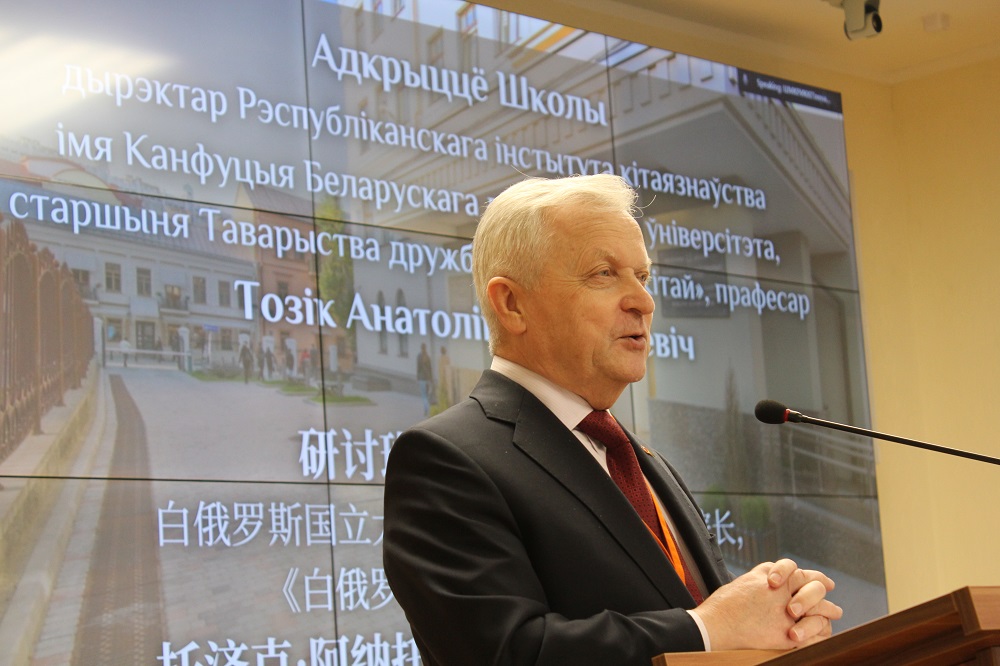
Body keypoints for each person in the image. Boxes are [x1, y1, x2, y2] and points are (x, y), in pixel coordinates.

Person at [382, 174, 842, 665]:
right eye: (604, 273)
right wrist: (710, 628)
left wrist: (776, 623)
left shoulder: (641, 460)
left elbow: (697, 618)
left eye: (642, 276)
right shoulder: (445, 459)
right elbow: (509, 653)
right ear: (512, 304)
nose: (643, 301)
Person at [416, 343, 434, 416]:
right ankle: (428, 409)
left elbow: (418, 368)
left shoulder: (419, 357)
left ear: (421, 348)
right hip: (427, 379)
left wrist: (417, 377)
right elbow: (430, 369)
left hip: (421, 378)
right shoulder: (427, 357)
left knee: (424, 396)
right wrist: (431, 379)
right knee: (427, 395)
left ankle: (426, 410)